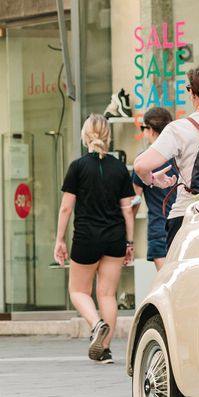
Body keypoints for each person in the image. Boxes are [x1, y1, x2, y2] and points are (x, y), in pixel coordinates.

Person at [53, 114, 135, 364]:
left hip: (87, 237)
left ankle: (96, 324)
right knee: (108, 295)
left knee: (77, 290)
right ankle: (105, 350)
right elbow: (128, 210)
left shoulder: (78, 167)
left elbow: (66, 208)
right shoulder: (119, 168)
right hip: (114, 238)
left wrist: (59, 240)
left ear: (85, 135)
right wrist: (129, 243)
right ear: (108, 137)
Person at [133, 66, 199, 249]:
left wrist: (151, 179)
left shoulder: (180, 128)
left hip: (188, 214)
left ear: (192, 93)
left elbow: (141, 166)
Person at [131, 107, 177, 271]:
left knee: (166, 284)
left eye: (144, 128)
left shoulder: (143, 162)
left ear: (150, 130)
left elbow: (134, 203)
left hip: (159, 228)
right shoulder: (179, 157)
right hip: (182, 225)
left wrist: (127, 237)